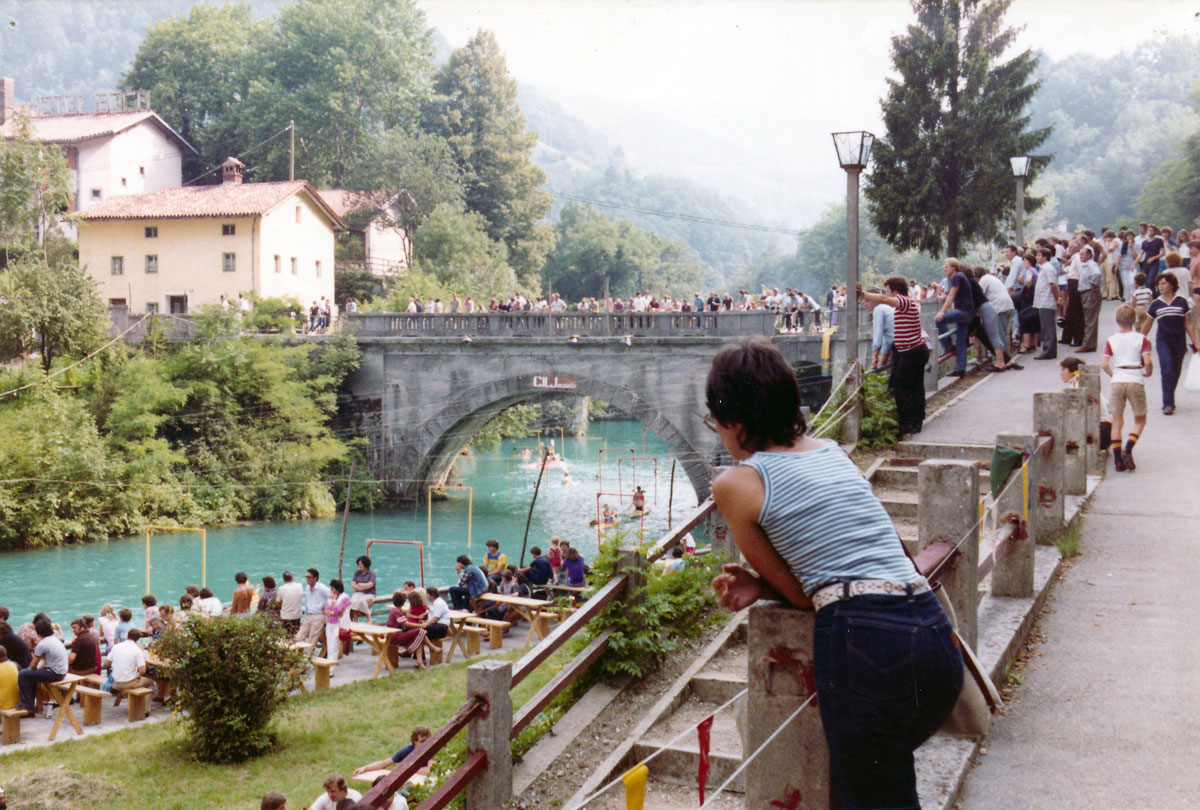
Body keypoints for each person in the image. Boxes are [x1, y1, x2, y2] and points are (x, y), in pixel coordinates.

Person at [705, 337, 962, 810]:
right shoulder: (831, 452)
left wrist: (762, 585)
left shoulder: (736, 483)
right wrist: (762, 584)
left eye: (715, 421)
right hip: (932, 633)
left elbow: (801, 595)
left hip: (866, 645)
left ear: (734, 422)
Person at [856, 278, 930, 437]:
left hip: (912, 351)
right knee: (914, 387)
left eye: (888, 291)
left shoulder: (904, 301)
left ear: (895, 291)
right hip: (912, 350)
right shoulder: (904, 305)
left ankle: (906, 423)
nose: (886, 294)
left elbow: (882, 299)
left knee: (900, 387)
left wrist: (863, 294)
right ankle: (915, 421)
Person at [1103, 305, 1154, 471]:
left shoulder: (1111, 340)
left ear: (1117, 320)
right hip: (1135, 379)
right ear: (1135, 320)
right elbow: (1147, 361)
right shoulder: (1141, 339)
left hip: (1117, 380)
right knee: (1140, 419)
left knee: (1117, 421)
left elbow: (1104, 364)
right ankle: (1128, 448)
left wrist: (1114, 374)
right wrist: (1148, 372)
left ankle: (1118, 460)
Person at [1141, 273, 1200, 416]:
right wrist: (1139, 340)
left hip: (1179, 342)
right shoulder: (1156, 304)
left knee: (1175, 372)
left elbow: (1188, 323)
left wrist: (1195, 342)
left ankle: (1169, 395)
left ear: (1172, 285)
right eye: (1159, 284)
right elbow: (1148, 324)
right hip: (1163, 341)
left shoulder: (1181, 301)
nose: (1161, 286)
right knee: (1167, 370)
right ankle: (1168, 403)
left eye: (1164, 283)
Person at [16, 617, 69, 716]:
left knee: (23, 674)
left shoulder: (42, 644)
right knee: (30, 675)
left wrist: (29, 671)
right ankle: (30, 704)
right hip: (62, 672)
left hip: (54, 674)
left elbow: (33, 665)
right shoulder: (55, 639)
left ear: (38, 632)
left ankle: (27, 705)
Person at [935, 258, 975, 376]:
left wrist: (942, 312)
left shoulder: (957, 277)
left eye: (946, 266)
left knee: (938, 320)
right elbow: (953, 298)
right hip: (967, 312)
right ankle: (960, 369)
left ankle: (947, 346)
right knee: (960, 341)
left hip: (964, 312)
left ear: (954, 267)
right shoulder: (959, 277)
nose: (944, 268)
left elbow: (952, 295)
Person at [354, 725, 434, 778]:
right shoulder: (408, 749)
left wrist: (407, 768)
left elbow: (429, 771)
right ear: (414, 741)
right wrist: (365, 768)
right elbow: (384, 763)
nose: (427, 744)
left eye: (429, 740)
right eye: (423, 741)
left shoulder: (433, 750)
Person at [1033, 246, 1061, 359]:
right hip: (1042, 301)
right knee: (1046, 326)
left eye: (1039, 255)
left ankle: (1048, 350)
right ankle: (1050, 350)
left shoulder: (1048, 268)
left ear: (1045, 257)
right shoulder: (1043, 268)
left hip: (1046, 300)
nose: (1037, 257)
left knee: (1047, 327)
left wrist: (1057, 298)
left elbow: (1053, 284)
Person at [385, 592, 427, 668]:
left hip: (393, 635)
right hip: (395, 636)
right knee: (420, 630)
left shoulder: (394, 610)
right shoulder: (397, 612)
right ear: (404, 602)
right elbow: (406, 624)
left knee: (418, 634)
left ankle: (419, 661)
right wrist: (420, 625)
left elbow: (405, 621)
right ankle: (420, 658)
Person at [297, 569, 331, 645]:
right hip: (309, 616)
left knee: (312, 639)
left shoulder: (321, 587)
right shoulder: (307, 588)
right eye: (306, 577)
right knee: (299, 636)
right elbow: (308, 602)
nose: (307, 579)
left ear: (315, 578)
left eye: (309, 577)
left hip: (319, 615)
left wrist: (327, 606)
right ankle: (300, 651)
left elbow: (332, 596)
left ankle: (308, 652)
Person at [323, 580, 351, 660]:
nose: (331, 590)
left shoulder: (345, 598)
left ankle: (331, 666)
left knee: (334, 646)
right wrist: (331, 612)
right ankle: (329, 664)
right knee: (329, 646)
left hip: (339, 625)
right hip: (330, 623)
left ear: (337, 589)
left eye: (332, 588)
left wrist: (334, 601)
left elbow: (338, 610)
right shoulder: (330, 598)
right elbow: (326, 608)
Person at [349, 556, 378, 621]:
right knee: (353, 601)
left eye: (361, 564)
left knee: (361, 601)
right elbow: (353, 585)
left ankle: (368, 618)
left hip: (369, 593)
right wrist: (363, 587)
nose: (359, 566)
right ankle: (355, 620)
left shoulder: (372, 573)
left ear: (365, 564)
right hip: (358, 593)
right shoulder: (357, 573)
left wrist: (359, 585)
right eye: (358, 564)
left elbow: (370, 585)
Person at [278, 570, 304, 635]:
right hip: (297, 615)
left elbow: (278, 602)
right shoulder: (299, 586)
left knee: (286, 634)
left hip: (285, 616)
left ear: (283, 579)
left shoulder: (281, 589)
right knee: (296, 633)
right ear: (292, 578)